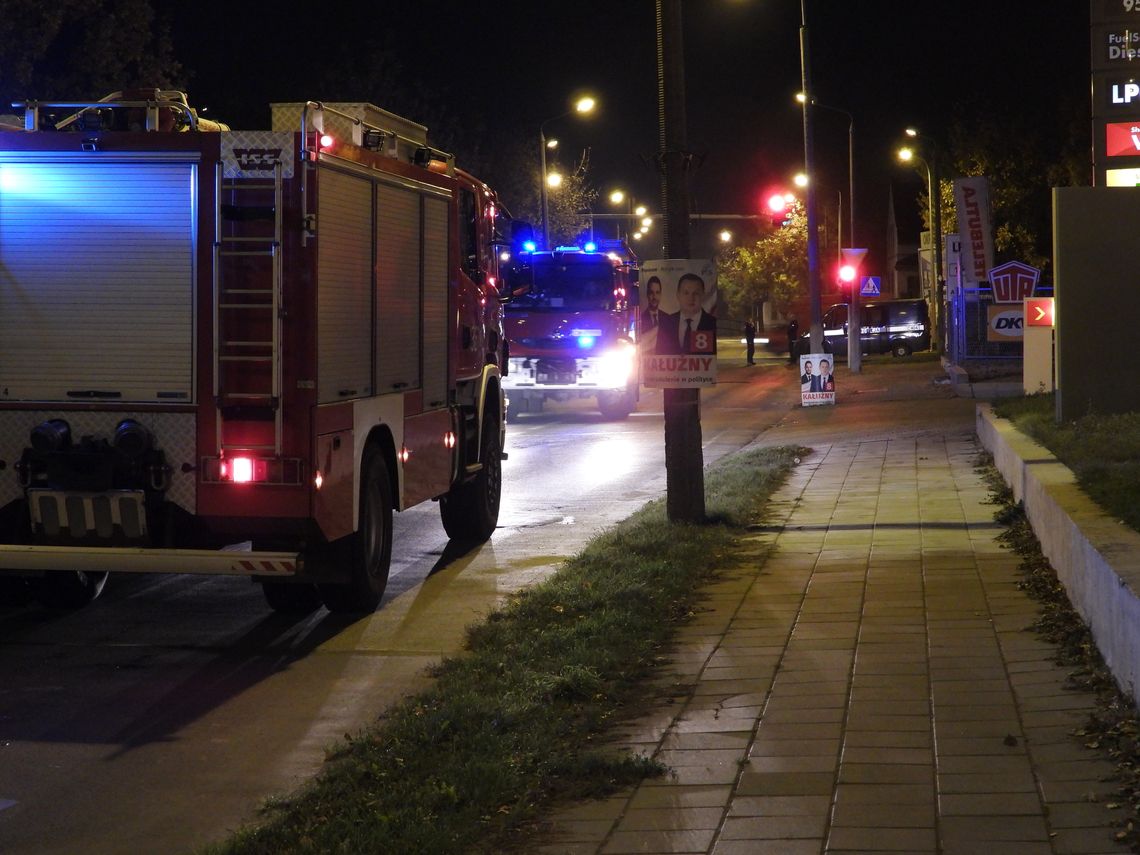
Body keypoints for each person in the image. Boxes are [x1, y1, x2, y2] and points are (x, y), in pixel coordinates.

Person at [656, 273, 717, 355]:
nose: (691, 298)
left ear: (703, 295)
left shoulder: (712, 323)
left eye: (696, 293)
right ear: (678, 295)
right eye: (686, 293)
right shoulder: (667, 323)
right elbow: (659, 354)